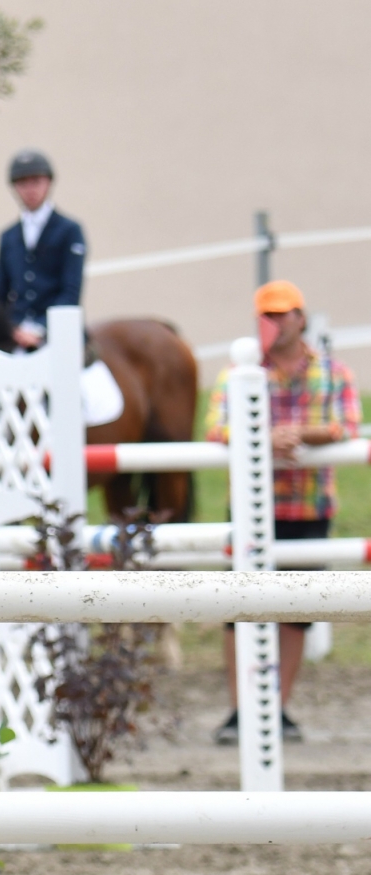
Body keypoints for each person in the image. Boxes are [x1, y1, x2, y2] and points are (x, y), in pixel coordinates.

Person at [208, 279, 360, 745]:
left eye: (281, 314)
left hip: (307, 503)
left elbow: (347, 425)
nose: (274, 323)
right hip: (255, 503)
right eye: (267, 315)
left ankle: (278, 706)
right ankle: (240, 709)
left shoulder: (334, 373)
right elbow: (216, 429)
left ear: (300, 317)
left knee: (297, 610)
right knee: (240, 607)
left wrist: (299, 435)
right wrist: (269, 437)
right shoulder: (237, 372)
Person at [0, 149, 86, 350]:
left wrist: (41, 328)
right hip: (16, 333)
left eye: (36, 181)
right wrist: (12, 329)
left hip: (58, 330)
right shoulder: (8, 236)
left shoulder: (70, 230)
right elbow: (1, 293)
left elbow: (70, 291)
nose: (30, 189)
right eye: (22, 183)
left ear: (48, 183)